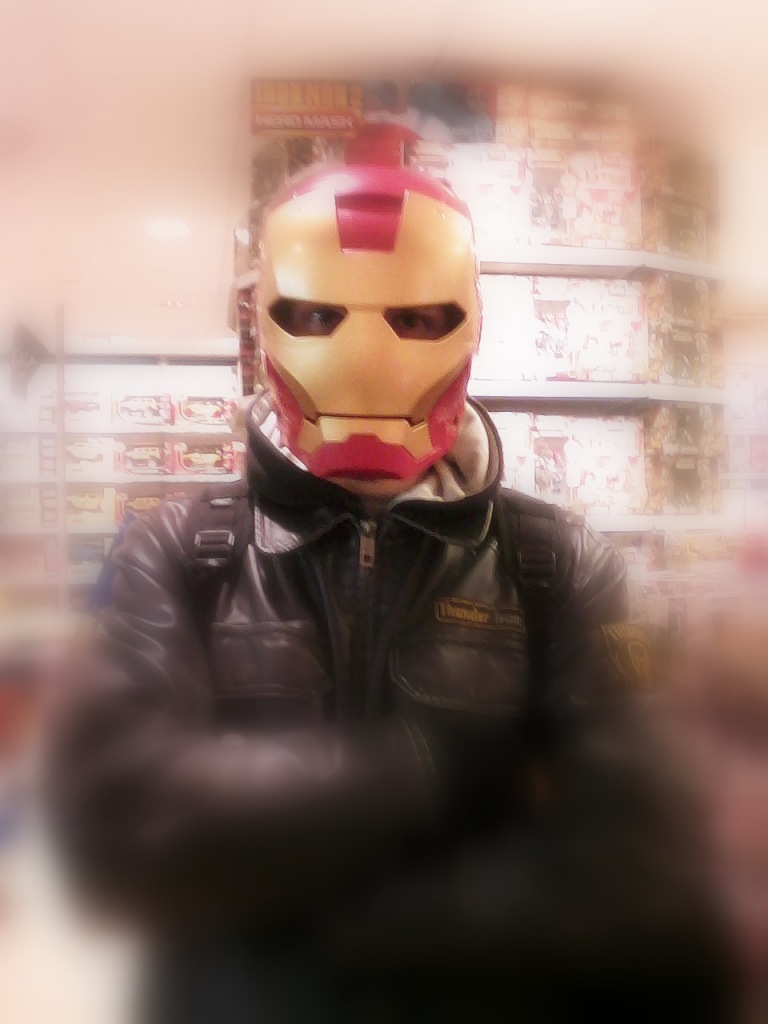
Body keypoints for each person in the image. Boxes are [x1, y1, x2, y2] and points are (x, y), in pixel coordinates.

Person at [47, 162, 734, 1023]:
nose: (367, 358)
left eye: (414, 318)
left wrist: (336, 920)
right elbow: (118, 831)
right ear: (265, 319)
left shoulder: (557, 563)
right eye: (317, 315)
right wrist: (432, 770)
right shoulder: (180, 551)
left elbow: (643, 864)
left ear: (469, 321)